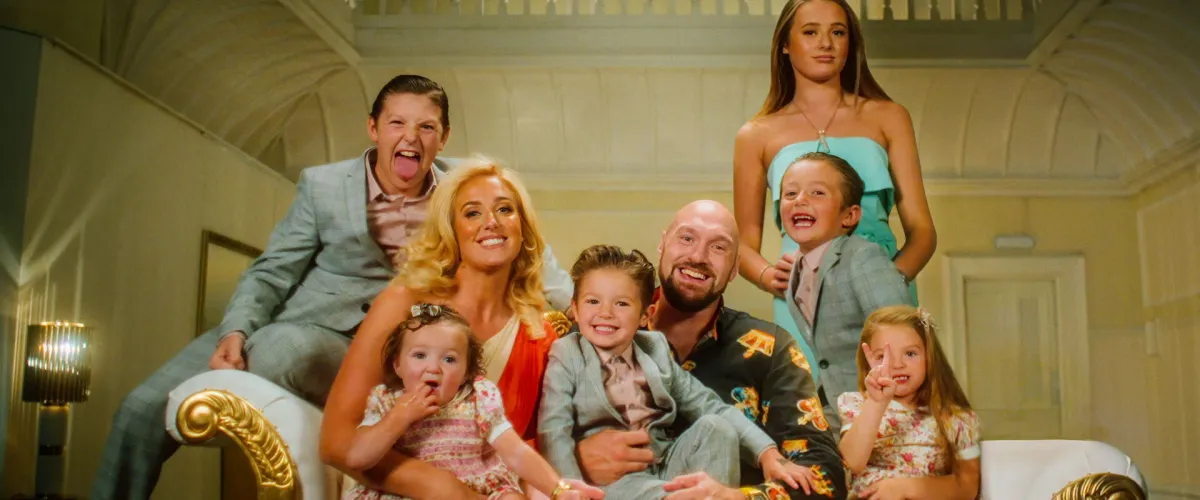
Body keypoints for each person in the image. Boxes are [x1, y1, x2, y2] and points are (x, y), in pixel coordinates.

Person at [90, 74, 572, 500]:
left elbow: (538, 263)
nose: (411, 137)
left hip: (394, 348)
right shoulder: (322, 186)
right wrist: (235, 331)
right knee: (142, 407)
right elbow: (272, 271)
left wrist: (605, 317)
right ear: (373, 129)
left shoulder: (468, 190)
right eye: (397, 124)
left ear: (442, 138)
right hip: (312, 330)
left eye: (426, 127)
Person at [321, 157, 571, 499]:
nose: (491, 223)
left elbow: (533, 444)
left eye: (504, 210)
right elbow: (335, 442)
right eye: (472, 213)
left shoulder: (539, 334)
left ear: (523, 228)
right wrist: (442, 488)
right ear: (451, 230)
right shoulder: (403, 305)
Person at [574, 201, 846, 500]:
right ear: (662, 245)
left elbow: (825, 475)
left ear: (734, 268)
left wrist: (735, 497)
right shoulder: (589, 330)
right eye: (686, 238)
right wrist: (577, 458)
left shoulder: (771, 350)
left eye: (718, 247)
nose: (698, 256)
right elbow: (533, 442)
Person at [732, 0, 936, 383]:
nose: (825, 43)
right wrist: (767, 277)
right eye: (810, 32)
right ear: (785, 45)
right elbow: (743, 243)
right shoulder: (756, 135)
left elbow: (923, 232)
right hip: (805, 300)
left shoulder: (888, 116)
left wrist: (883, 284)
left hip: (886, 297)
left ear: (850, 43)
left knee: (896, 409)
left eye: (837, 32)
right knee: (812, 410)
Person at [540, 245, 817, 499]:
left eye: (621, 303)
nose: (606, 313)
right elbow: (554, 429)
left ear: (645, 315)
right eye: (592, 302)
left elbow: (709, 405)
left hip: (665, 463)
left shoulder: (654, 348)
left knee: (716, 427)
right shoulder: (567, 353)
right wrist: (571, 491)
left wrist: (767, 453)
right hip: (615, 482)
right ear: (575, 309)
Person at [342, 303, 602, 500]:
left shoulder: (477, 398)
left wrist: (558, 489)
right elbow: (356, 458)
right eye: (419, 355)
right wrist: (399, 417)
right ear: (397, 364)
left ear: (466, 372)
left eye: (449, 359)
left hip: (477, 488)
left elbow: (515, 451)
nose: (433, 368)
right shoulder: (387, 402)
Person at [780, 152, 914, 431]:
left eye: (817, 192)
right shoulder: (796, 270)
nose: (800, 200)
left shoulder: (863, 257)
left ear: (849, 215)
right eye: (790, 193)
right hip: (837, 407)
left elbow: (902, 338)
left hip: (883, 407)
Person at [837, 306, 980, 500]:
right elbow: (849, 464)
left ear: (929, 357)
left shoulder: (955, 418)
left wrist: (904, 488)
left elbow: (968, 487)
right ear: (868, 362)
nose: (897, 365)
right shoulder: (858, 404)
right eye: (882, 356)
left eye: (910, 354)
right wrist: (877, 403)